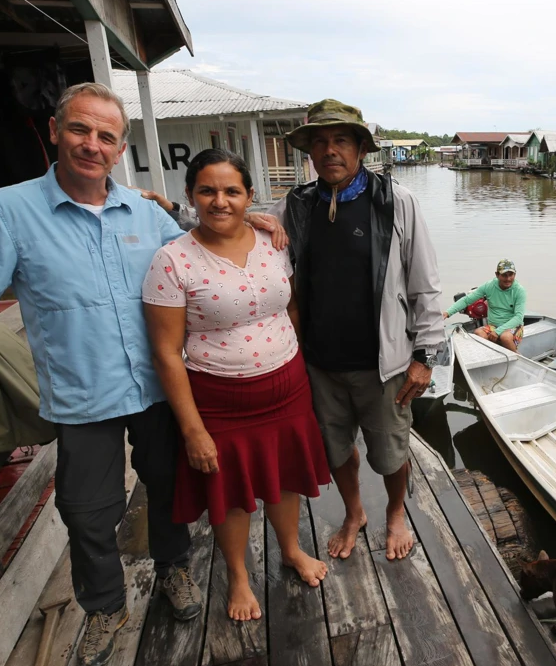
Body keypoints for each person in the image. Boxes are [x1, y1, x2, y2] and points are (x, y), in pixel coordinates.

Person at [0, 82, 285, 666]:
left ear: (120, 149)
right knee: (86, 510)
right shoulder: (10, 212)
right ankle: (104, 607)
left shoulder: (146, 213)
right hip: (82, 393)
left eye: (106, 136)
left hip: (158, 389)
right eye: (79, 130)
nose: (91, 145)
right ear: (54, 131)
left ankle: (173, 570)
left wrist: (256, 221)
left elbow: (205, 254)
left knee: (170, 486)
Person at [142, 149, 331, 621]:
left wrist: (301, 365)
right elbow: (166, 352)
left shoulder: (272, 241)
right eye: (207, 190)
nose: (220, 201)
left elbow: (290, 309)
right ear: (190, 197)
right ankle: (239, 578)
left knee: (286, 479)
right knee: (230, 492)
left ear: (249, 196)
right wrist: (192, 431)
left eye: (232, 191)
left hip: (287, 386)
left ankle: (290, 549)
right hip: (220, 399)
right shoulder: (172, 261)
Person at [272, 99, 444, 562]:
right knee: (336, 449)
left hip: (383, 364)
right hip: (319, 363)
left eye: (341, 140)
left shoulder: (395, 202)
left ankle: (393, 513)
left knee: (390, 452)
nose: (329, 151)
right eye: (320, 142)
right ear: (309, 152)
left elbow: (425, 286)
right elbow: (235, 229)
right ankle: (353, 513)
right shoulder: (297, 205)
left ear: (361, 148)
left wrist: (425, 357)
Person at [445, 259, 527, 352]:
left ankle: (517, 358)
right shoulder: (489, 286)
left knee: (505, 337)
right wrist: (447, 313)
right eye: (504, 275)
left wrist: (497, 332)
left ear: (515, 274)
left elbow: (519, 317)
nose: (508, 279)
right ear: (497, 275)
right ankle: (494, 355)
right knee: (478, 333)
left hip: (513, 326)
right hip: (494, 325)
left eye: (511, 275)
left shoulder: (519, 291)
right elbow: (466, 300)